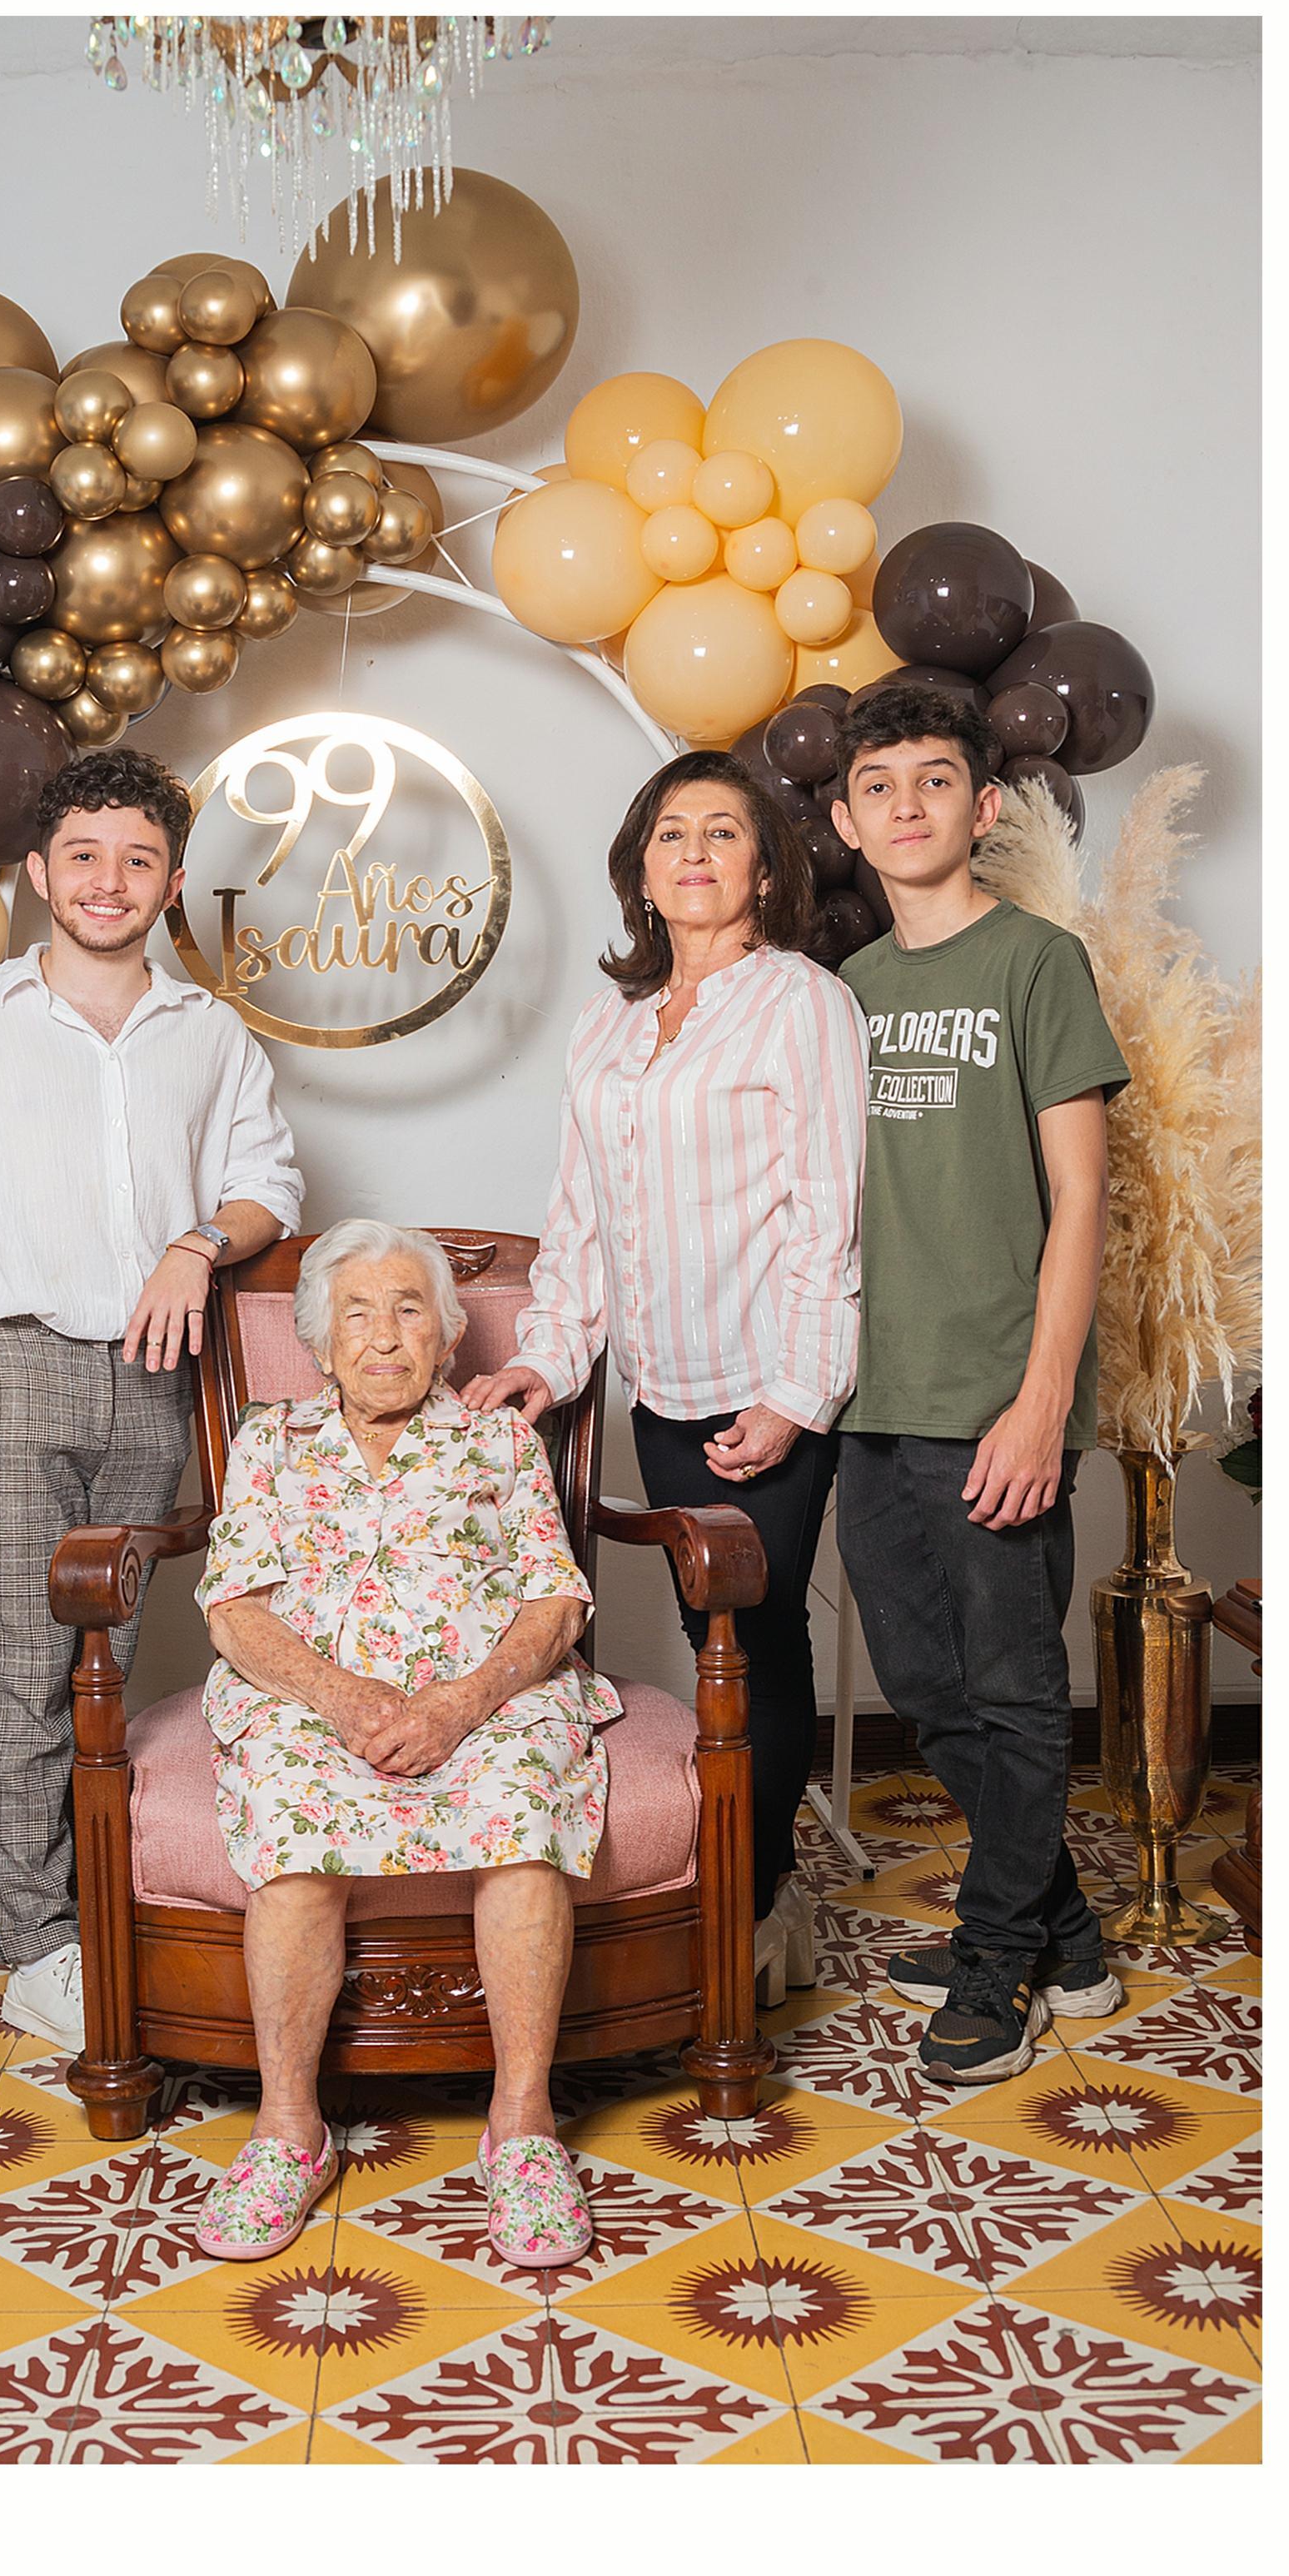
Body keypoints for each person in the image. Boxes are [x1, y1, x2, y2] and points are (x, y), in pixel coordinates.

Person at [465, 749, 868, 2004]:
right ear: (641, 869)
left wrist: (796, 1394)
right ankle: (755, 1880)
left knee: (756, 1637)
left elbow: (829, 1212)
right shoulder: (611, 1022)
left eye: (723, 832)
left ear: (766, 868)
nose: (694, 852)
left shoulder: (802, 1002)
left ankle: (753, 1902)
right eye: (671, 833)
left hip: (766, 1377)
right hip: (662, 1385)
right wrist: (545, 1355)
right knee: (714, 1638)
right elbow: (580, 1214)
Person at [0, 747, 302, 2052]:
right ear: (38, 871)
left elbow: (268, 1183)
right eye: (82, 854)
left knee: (107, 1664)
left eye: (138, 858)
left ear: (171, 883)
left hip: (154, 1368)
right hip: (13, 1362)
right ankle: (37, 1950)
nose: (107, 878)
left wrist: (197, 1243)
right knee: (20, 1666)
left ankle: (97, 1916)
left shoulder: (209, 1031)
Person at [190, 1221, 615, 2269]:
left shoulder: (499, 1442)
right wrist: (339, 1698)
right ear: (319, 1342)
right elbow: (233, 1607)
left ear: (450, 1335)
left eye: (410, 1310)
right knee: (291, 1816)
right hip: (311, 1695)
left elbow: (556, 1603)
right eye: (358, 1314)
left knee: (521, 1809)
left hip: (487, 1693)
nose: (384, 1337)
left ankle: (523, 2127)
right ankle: (290, 2131)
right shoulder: (270, 1440)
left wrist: (460, 1705)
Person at [827, 684, 1132, 2083]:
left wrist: (1039, 1396)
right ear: (846, 821)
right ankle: (1063, 1930)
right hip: (869, 1395)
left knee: (1011, 1689)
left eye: (933, 778)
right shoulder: (844, 991)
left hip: (994, 1394)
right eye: (877, 784)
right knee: (923, 1682)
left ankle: (997, 1954)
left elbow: (1081, 1197)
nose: (906, 804)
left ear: (982, 805)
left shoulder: (1035, 961)